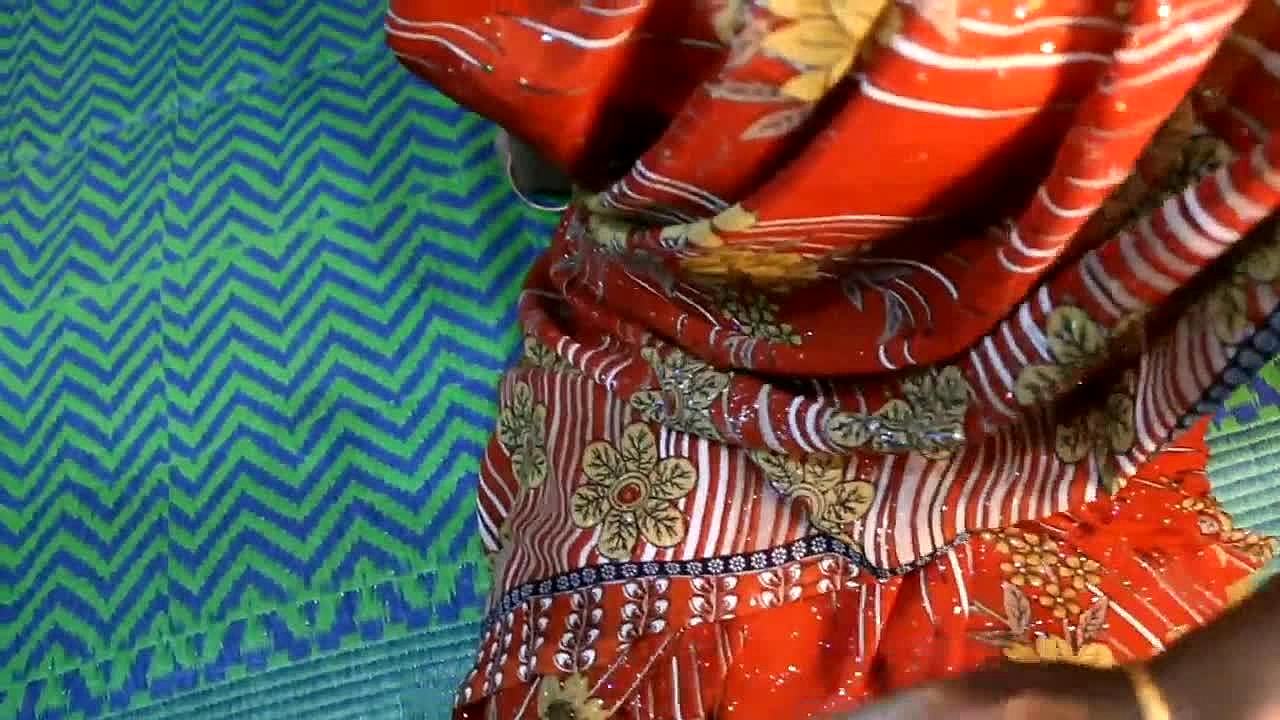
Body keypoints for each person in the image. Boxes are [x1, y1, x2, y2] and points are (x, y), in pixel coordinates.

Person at [386, 0, 1280, 718]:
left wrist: (1173, 697)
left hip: (680, 348)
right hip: (1066, 370)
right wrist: (1171, 697)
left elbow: (539, 98)